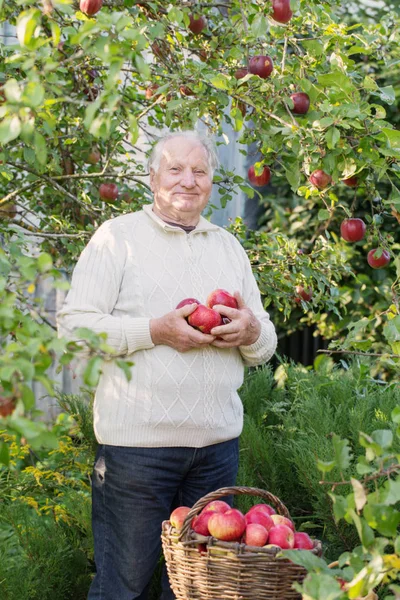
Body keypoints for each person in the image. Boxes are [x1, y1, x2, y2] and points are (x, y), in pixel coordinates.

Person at [57, 130, 277, 600]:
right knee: (124, 588)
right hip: (137, 455)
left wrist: (252, 332)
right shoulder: (117, 239)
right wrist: (154, 331)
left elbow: (264, 343)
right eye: (175, 169)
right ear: (152, 175)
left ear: (212, 182)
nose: (187, 180)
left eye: (199, 171)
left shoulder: (228, 248)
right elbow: (74, 328)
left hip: (217, 452)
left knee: (200, 590)